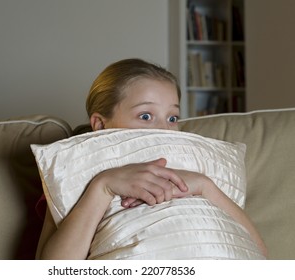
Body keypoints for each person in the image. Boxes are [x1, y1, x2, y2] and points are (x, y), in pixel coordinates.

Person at [35, 58, 267, 259]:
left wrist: (204, 186)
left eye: (173, 117)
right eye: (146, 116)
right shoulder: (75, 171)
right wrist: (103, 186)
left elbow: (259, 255)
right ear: (100, 124)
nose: (164, 129)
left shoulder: (198, 167)